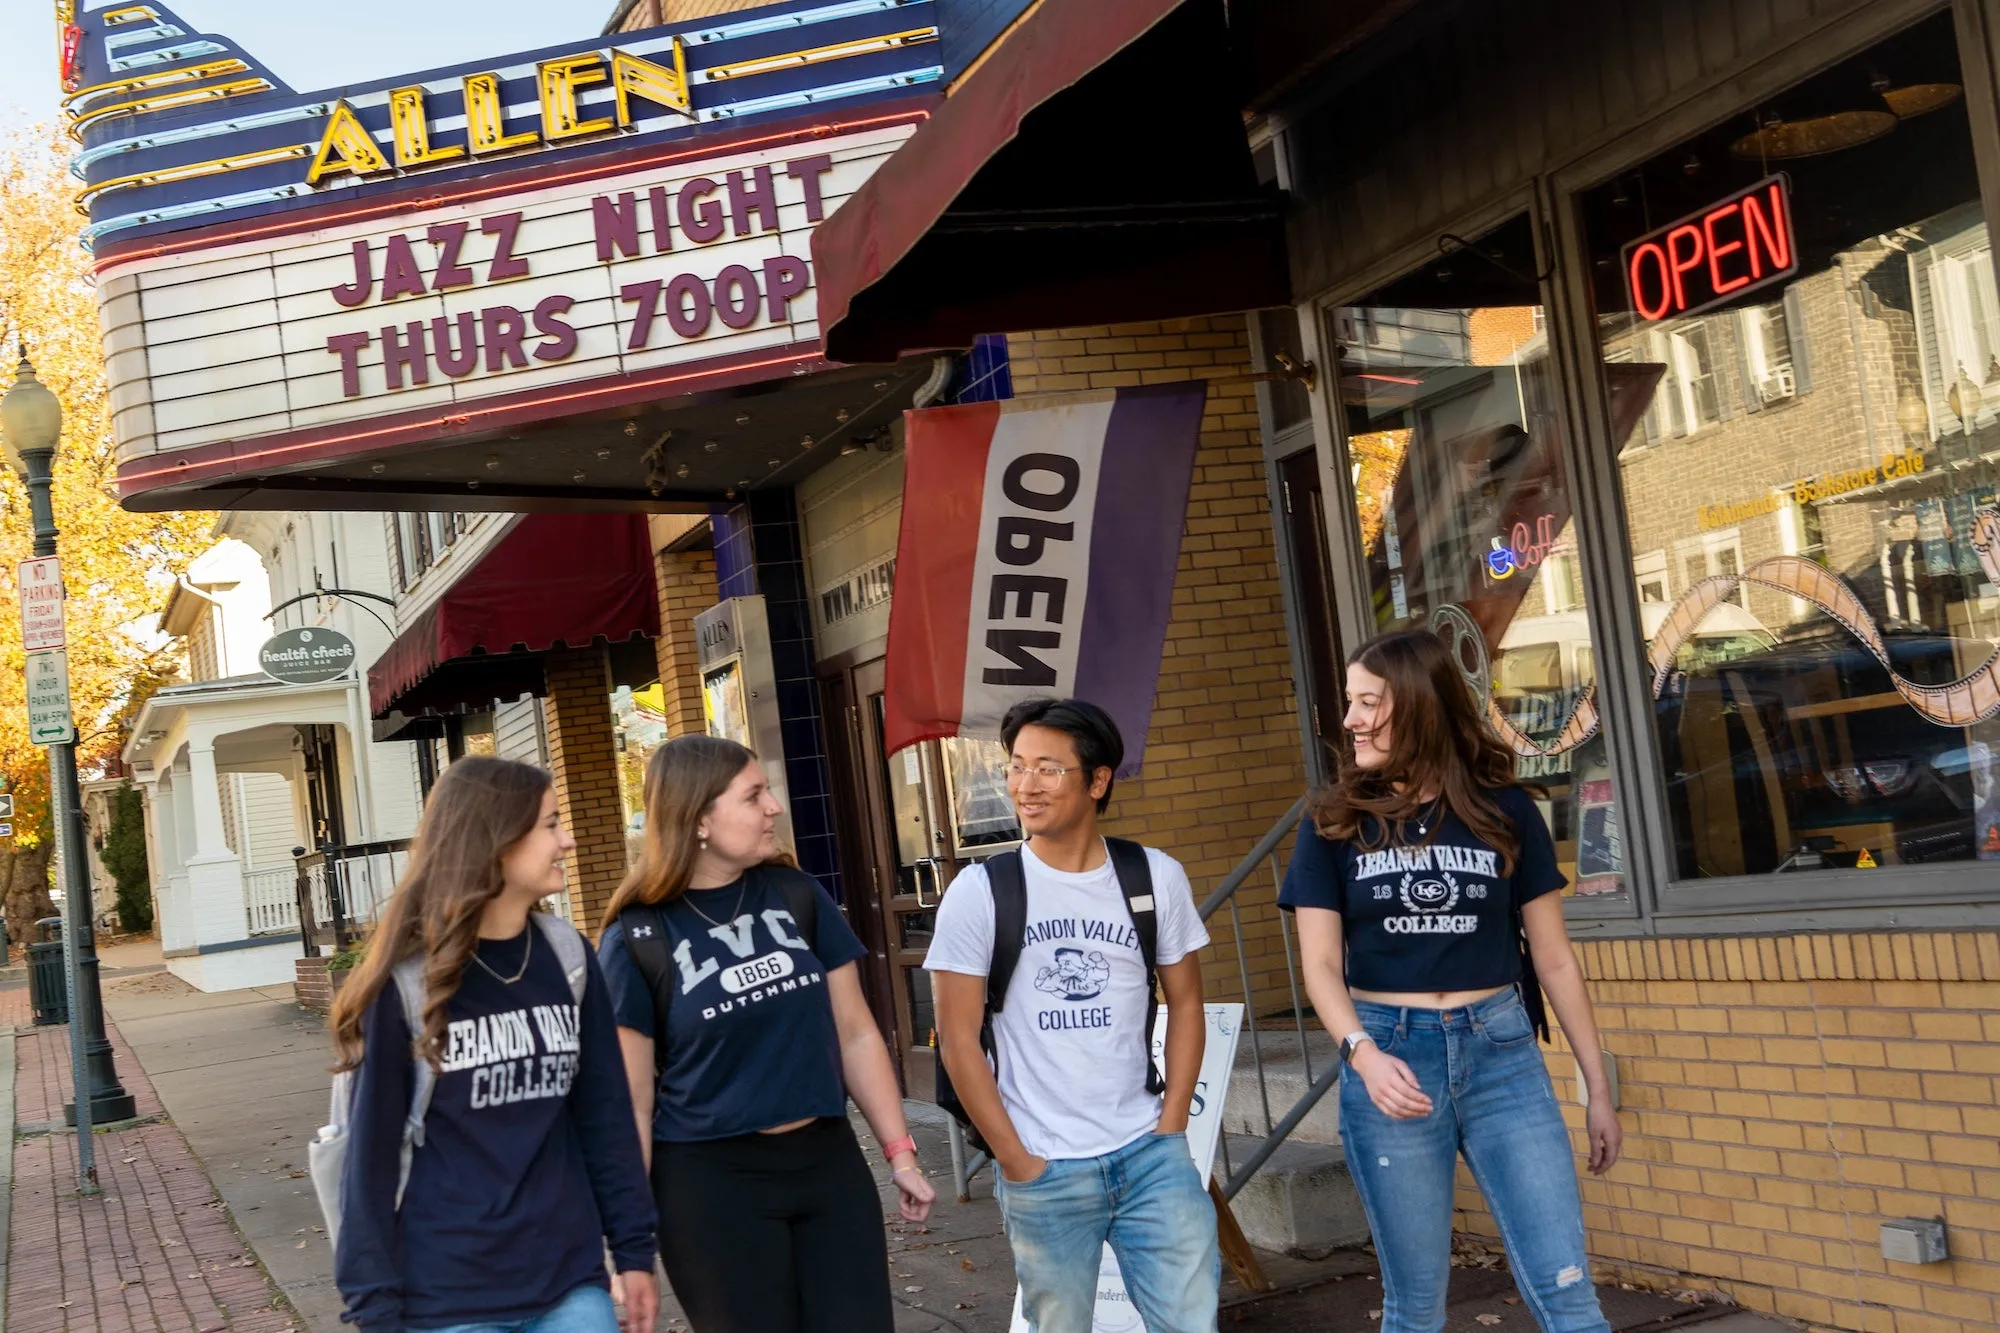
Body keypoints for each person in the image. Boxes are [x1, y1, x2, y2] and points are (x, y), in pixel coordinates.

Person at [1280, 629, 1621, 1333]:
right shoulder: (1334, 821)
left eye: (1368, 701)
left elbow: (1553, 958)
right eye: (1350, 702)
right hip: (1389, 1058)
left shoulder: (1505, 810)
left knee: (1567, 1290)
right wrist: (1363, 1056)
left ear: (1418, 704)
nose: (1350, 720)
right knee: (1415, 1305)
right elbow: (1319, 965)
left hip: (1501, 1055)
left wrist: (1597, 1088)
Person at [597, 736, 935, 1333]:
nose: (773, 807)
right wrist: (626, 1238)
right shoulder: (638, 938)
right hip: (710, 1187)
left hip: (827, 1164)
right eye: (754, 796)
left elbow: (855, 1033)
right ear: (699, 817)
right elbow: (631, 1100)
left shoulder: (797, 895)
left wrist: (900, 1154)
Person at [330, 757, 658, 1333]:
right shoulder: (408, 985)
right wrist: (374, 1309)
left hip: (569, 1281)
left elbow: (604, 1118)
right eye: (551, 824)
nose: (570, 840)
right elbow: (371, 1162)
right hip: (449, 1297)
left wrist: (633, 1252)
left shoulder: (569, 957)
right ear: (498, 840)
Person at [926, 698, 1218, 1333]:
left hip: (1150, 1155)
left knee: (1193, 1322)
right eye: (1016, 766)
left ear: (1098, 780)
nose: (1025, 785)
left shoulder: (1153, 877)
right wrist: (1014, 1158)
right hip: (1043, 1166)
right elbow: (955, 1040)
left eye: (1048, 769)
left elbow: (1187, 1002)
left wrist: (1172, 1128)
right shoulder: (981, 892)